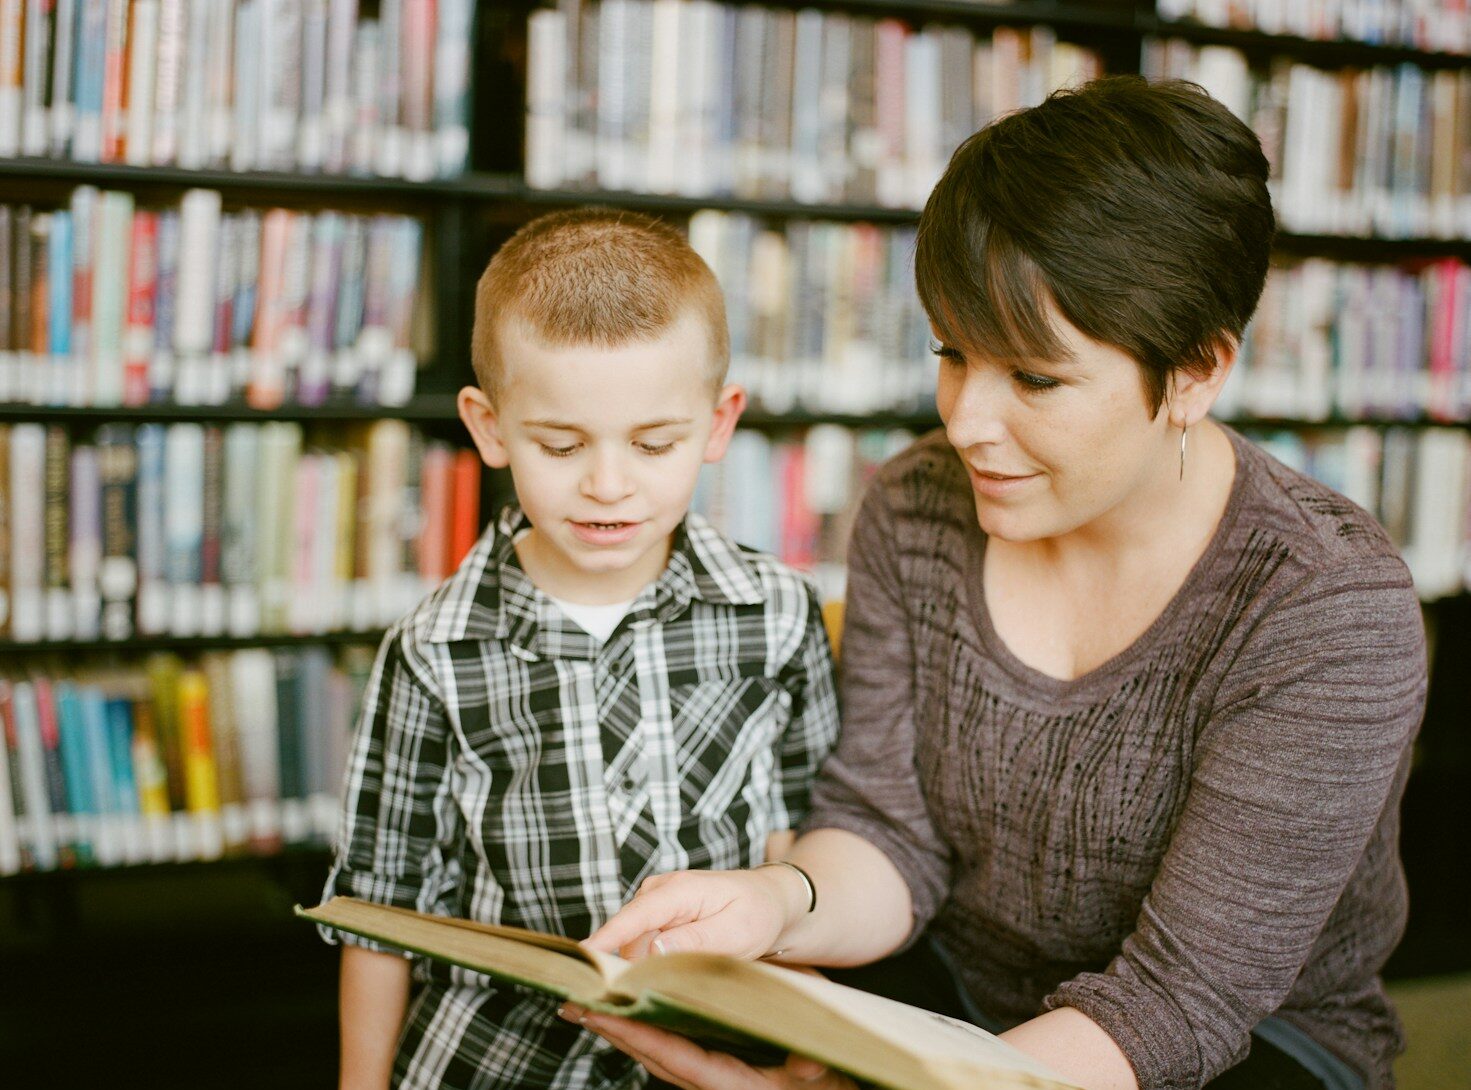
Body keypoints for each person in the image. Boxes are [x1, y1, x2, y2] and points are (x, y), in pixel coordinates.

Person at [573, 78, 1427, 1090]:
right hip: (958, 993)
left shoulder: (1325, 605)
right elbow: (889, 833)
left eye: (1033, 377)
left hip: (1247, 1047)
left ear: (1195, 371)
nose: (966, 419)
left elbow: (1179, 1003)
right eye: (951, 352)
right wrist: (778, 901)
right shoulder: (916, 504)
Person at [321, 208, 841, 1090]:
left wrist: (807, 1062)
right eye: (560, 445)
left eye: (653, 442)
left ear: (718, 425)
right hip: (494, 1060)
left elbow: (807, 847)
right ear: (489, 429)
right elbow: (378, 909)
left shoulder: (779, 613)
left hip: (718, 1053)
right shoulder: (434, 649)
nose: (608, 485)